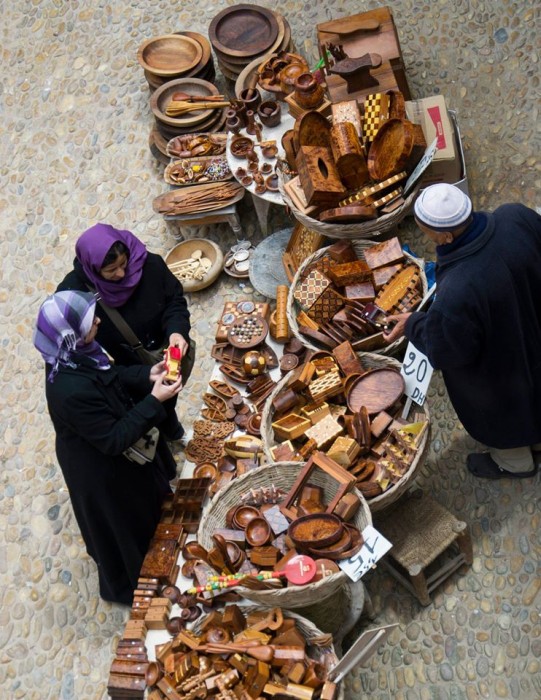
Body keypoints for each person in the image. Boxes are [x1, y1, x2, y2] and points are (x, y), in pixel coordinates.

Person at [33, 290, 183, 605]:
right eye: (90, 322)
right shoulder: (69, 391)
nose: (99, 320)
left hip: (109, 442)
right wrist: (154, 400)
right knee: (127, 524)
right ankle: (141, 581)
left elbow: (109, 375)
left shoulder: (74, 352)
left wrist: (147, 374)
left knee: (148, 502)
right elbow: (114, 439)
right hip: (101, 470)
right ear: (70, 336)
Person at [383, 183, 541, 479]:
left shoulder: (458, 290)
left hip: (502, 374)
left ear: (445, 236)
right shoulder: (515, 216)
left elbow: (447, 351)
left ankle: (515, 462)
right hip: (532, 327)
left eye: (425, 230)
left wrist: (413, 324)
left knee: (510, 411)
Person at [56, 223, 191, 441]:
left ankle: (173, 432)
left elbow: (174, 301)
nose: (121, 274)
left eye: (123, 264)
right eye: (111, 271)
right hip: (127, 366)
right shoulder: (74, 294)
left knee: (167, 396)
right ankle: (168, 436)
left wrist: (177, 331)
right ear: (93, 269)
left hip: (164, 348)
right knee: (146, 406)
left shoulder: (147, 263)